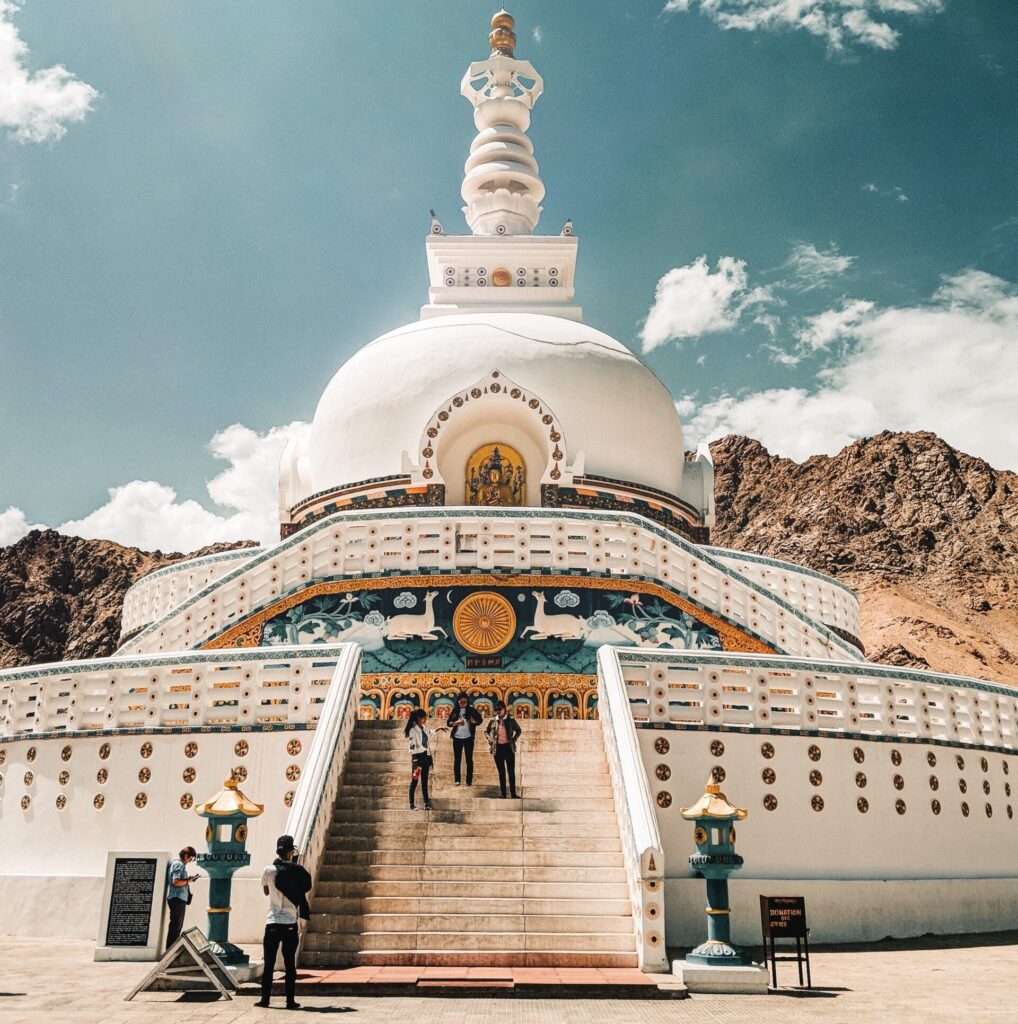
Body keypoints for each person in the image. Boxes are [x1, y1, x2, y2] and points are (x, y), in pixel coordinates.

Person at [257, 834, 312, 1011]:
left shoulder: (268, 870)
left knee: (269, 964)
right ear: (290, 851)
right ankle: (290, 1001)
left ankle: (265, 999)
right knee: (289, 965)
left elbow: (266, 892)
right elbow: (305, 886)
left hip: (272, 921)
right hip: (289, 922)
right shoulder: (296, 871)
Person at [405, 708, 444, 810]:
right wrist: (414, 761)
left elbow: (428, 733)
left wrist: (438, 729)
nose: (426, 719)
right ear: (419, 718)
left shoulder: (423, 727)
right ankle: (411, 804)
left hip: (426, 757)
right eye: (424, 717)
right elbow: (412, 746)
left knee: (424, 781)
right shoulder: (413, 730)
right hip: (417, 758)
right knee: (414, 781)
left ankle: (426, 803)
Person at [485, 701, 522, 799]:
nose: (498, 712)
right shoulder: (493, 721)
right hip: (498, 748)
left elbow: (518, 730)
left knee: (511, 772)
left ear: (504, 709)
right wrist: (490, 739)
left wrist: (513, 740)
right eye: (496, 710)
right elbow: (486, 731)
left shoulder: (510, 720)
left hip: (508, 747)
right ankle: (503, 794)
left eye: (500, 710)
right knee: (501, 772)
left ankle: (513, 794)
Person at [164, 846, 198, 948]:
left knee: (175, 927)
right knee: (175, 927)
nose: (190, 861)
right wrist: (188, 880)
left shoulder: (176, 863)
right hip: (177, 899)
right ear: (186, 855)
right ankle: (170, 952)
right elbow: (176, 881)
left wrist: (188, 879)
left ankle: (170, 951)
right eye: (191, 859)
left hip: (177, 898)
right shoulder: (179, 864)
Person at [447, 692, 482, 787]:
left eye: (465, 702)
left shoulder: (471, 710)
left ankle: (469, 780)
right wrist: (456, 723)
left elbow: (480, 720)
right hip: (457, 737)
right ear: (458, 702)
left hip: (469, 737)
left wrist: (474, 721)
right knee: (457, 759)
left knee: (469, 759)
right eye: (461, 702)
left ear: (467, 701)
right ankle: (457, 780)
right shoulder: (455, 710)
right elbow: (448, 723)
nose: (463, 704)